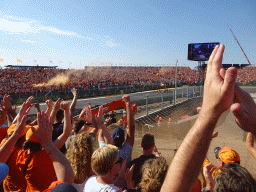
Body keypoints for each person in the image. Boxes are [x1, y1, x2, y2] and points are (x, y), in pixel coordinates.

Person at [160, 44, 241, 191]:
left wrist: (207, 123)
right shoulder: (248, 182)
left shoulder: (215, 175)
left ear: (220, 163)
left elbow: (185, 175)